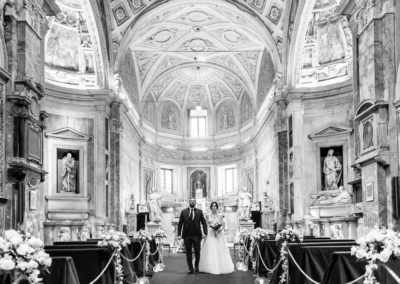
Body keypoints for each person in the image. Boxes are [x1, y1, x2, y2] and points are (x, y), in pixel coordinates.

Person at [199, 201, 234, 274]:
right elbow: (206, 225)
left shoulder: (221, 215)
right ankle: (209, 266)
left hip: (219, 234)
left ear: (217, 207)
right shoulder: (207, 215)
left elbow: (223, 225)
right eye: (212, 206)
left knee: (219, 249)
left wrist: (218, 230)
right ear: (210, 207)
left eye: (215, 206)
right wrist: (206, 232)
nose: (214, 207)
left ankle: (221, 266)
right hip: (210, 234)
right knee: (210, 250)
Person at [178, 198, 207, 274]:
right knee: (188, 252)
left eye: (193, 201)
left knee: (197, 251)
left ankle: (196, 266)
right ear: (189, 202)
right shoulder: (183, 212)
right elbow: (180, 223)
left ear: (195, 202)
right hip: (187, 235)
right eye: (191, 201)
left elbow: (204, 222)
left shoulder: (199, 212)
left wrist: (205, 232)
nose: (192, 202)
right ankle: (190, 268)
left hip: (197, 235)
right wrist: (179, 234)